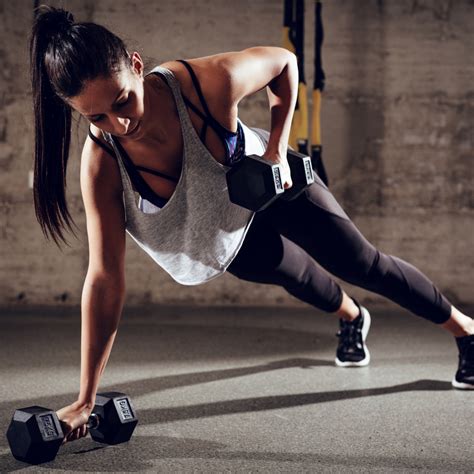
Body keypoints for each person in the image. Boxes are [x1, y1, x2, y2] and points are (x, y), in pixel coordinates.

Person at [29, 6, 473, 444]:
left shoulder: (204, 82)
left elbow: (284, 62)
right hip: (220, 229)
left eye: (123, 99)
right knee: (293, 273)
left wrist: (277, 150)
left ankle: (465, 329)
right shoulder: (102, 163)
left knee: (361, 263)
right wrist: (85, 399)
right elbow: (104, 278)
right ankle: (352, 317)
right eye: (97, 117)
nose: (120, 123)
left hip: (268, 187)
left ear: (137, 67)